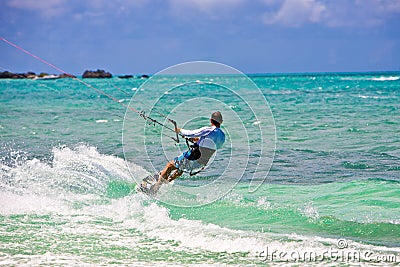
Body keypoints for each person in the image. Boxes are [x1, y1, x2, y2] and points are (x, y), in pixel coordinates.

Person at [152, 111, 225, 192]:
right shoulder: (222, 136)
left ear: (211, 120)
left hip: (193, 157)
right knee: (180, 170)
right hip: (201, 163)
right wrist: (198, 140)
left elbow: (190, 133)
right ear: (221, 121)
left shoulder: (208, 130)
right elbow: (211, 145)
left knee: (169, 166)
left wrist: (179, 130)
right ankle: (165, 181)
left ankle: (155, 189)